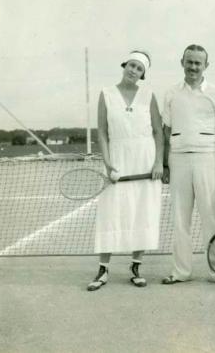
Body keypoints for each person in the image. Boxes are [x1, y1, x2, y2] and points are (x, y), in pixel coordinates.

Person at [87, 50, 164, 291]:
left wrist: (159, 162)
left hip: (146, 158)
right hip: (118, 159)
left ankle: (136, 266)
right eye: (131, 65)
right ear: (124, 65)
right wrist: (108, 163)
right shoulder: (106, 94)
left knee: (143, 211)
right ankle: (103, 269)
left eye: (139, 69)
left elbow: (158, 131)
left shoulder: (149, 95)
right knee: (111, 212)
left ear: (143, 74)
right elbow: (102, 132)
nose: (134, 71)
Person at [161, 44, 215, 286]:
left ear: (206, 66)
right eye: (189, 62)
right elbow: (166, 130)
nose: (193, 67)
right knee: (180, 219)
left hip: (208, 159)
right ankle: (181, 271)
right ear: (182, 62)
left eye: (198, 63)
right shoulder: (171, 93)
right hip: (178, 159)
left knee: (211, 216)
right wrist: (165, 164)